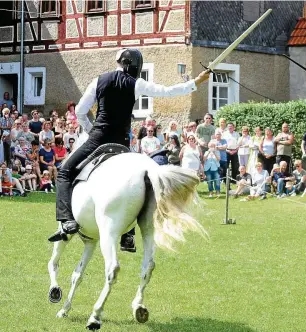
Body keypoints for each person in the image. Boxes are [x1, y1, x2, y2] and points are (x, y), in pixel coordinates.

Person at [49, 48, 211, 253]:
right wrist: (196, 81)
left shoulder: (98, 80)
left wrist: (91, 131)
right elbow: (168, 91)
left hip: (98, 138)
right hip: (123, 142)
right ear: (134, 66)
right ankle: (128, 235)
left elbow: (81, 111)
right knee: (138, 180)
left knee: (65, 171)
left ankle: (67, 221)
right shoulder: (137, 83)